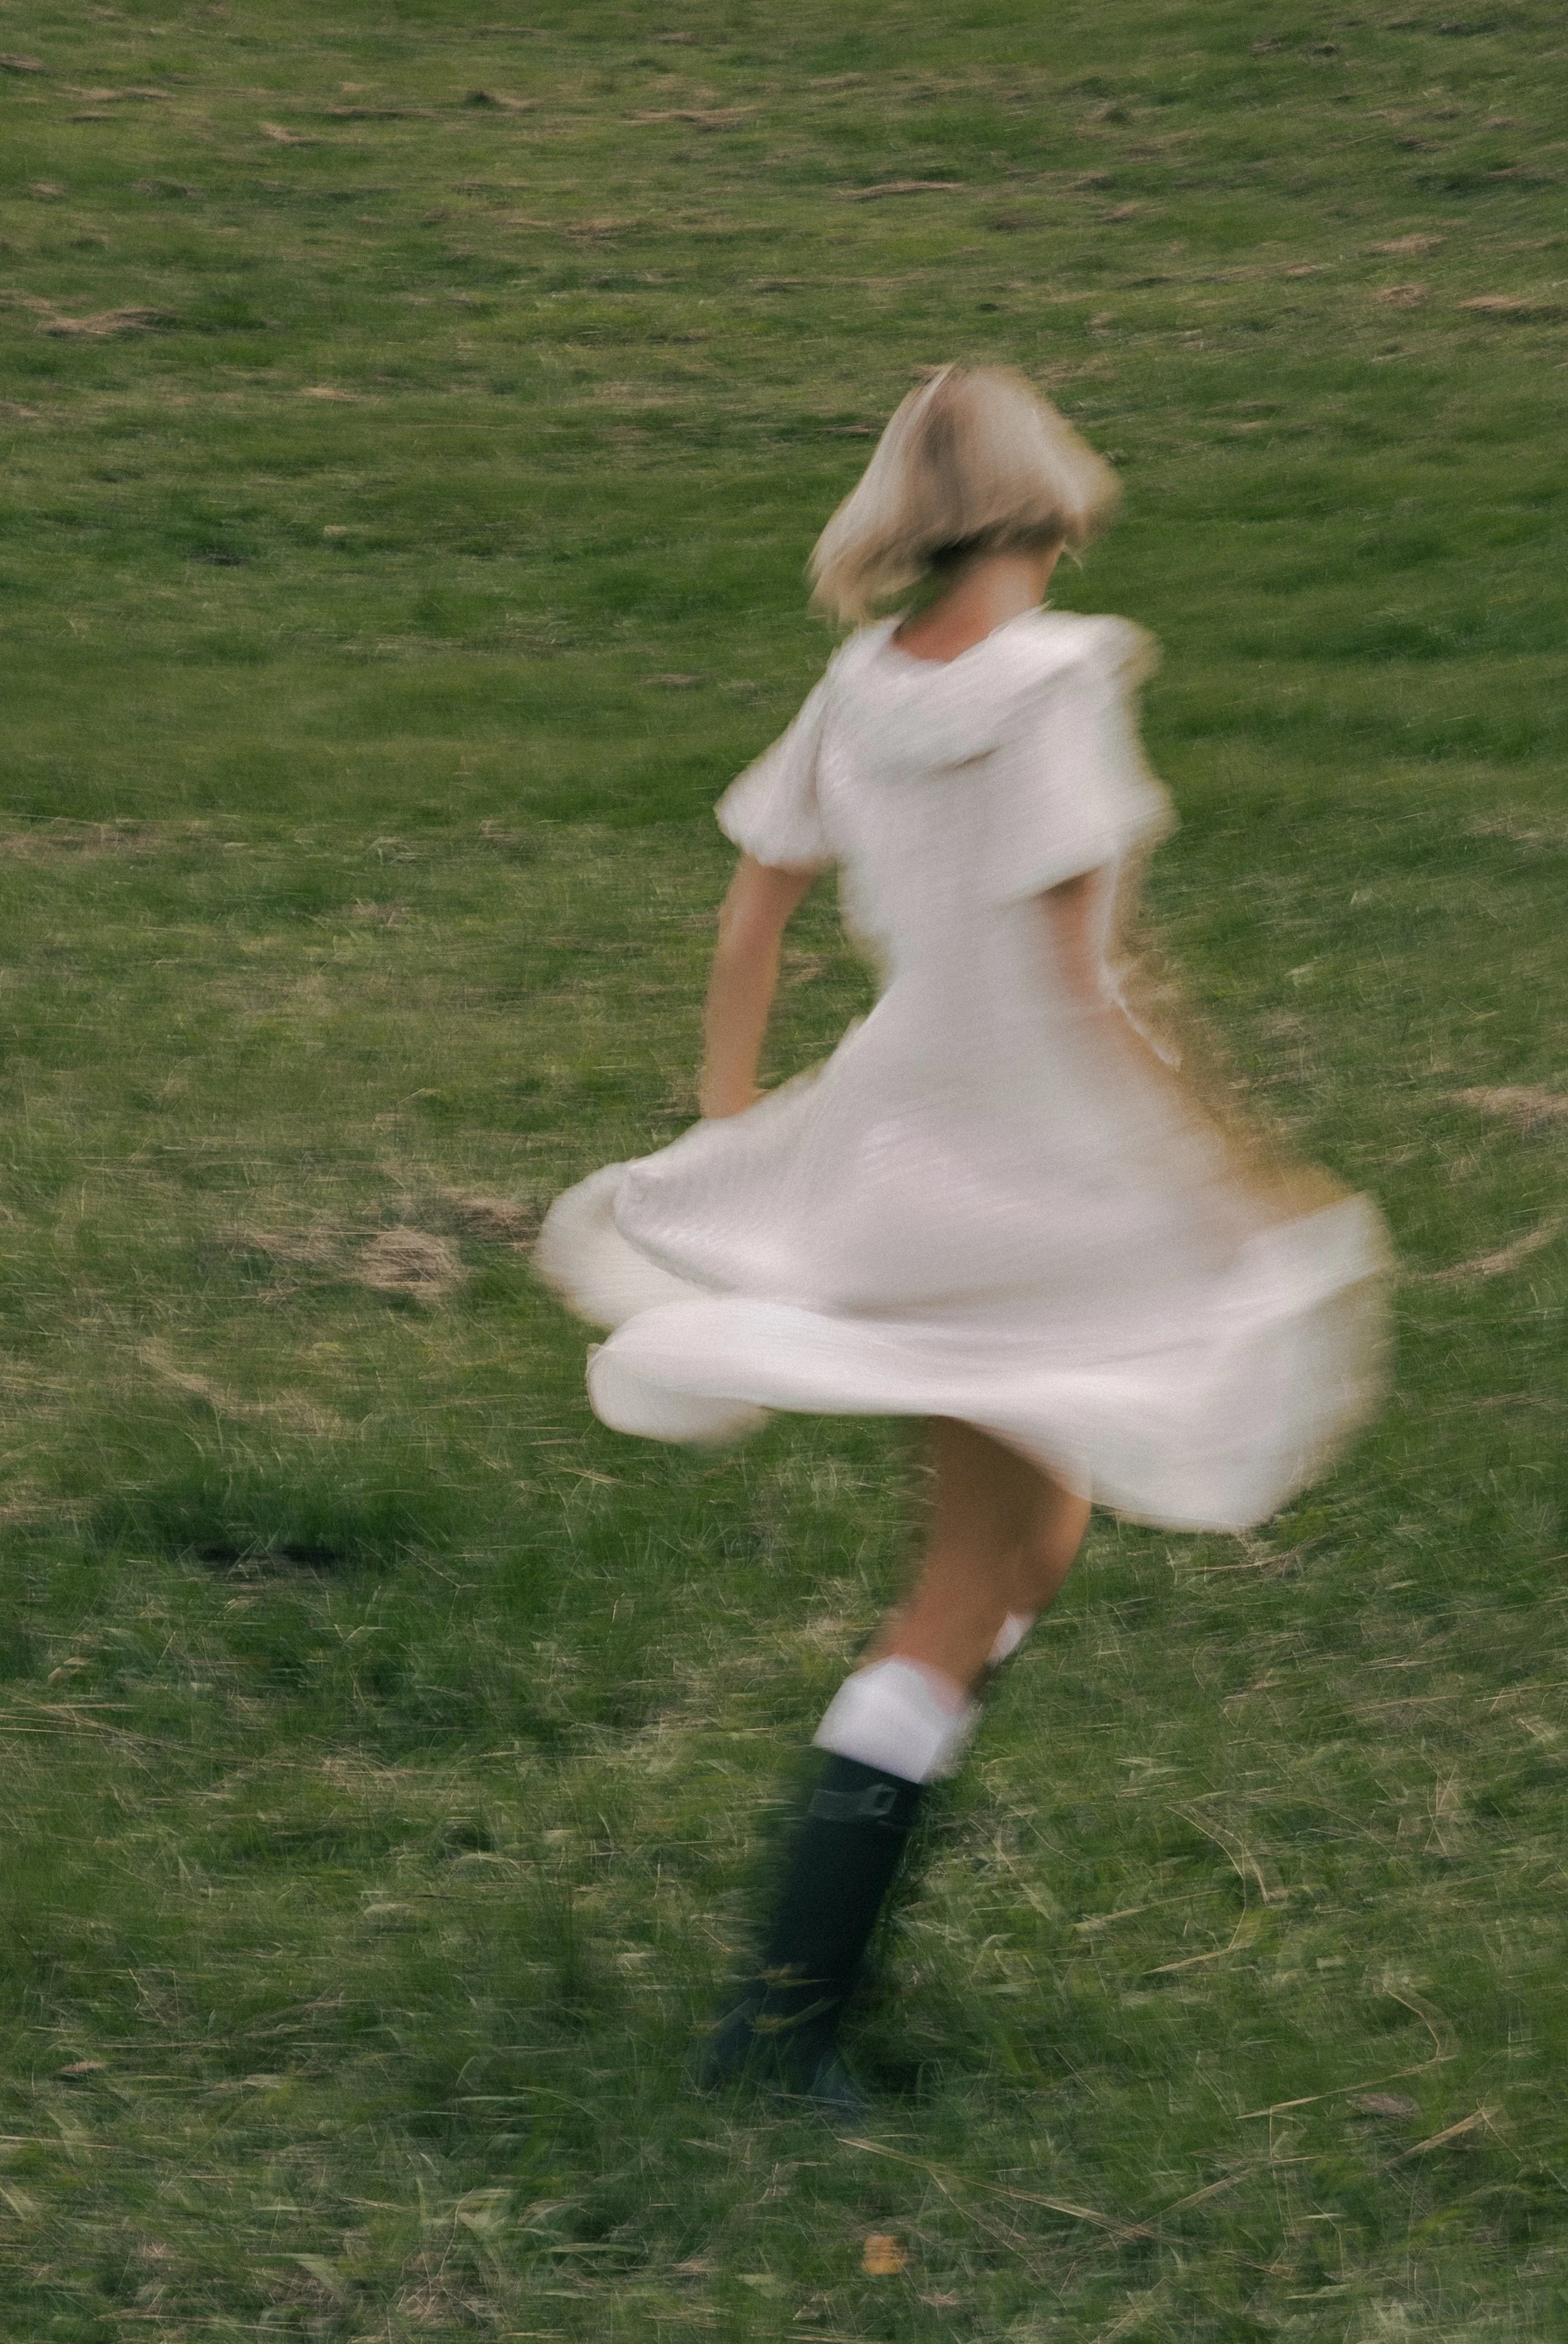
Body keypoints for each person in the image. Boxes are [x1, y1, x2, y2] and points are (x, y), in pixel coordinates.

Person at [536, 365, 1389, 2112]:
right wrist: (1222, 1167)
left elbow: (753, 904)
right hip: (1034, 1159)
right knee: (966, 1581)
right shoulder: (1059, 679)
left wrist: (727, 1125)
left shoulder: (858, 686)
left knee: (1027, 1532)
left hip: (902, 1143)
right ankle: (779, 2025)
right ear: (1054, 499)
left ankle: (846, 1898)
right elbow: (1084, 981)